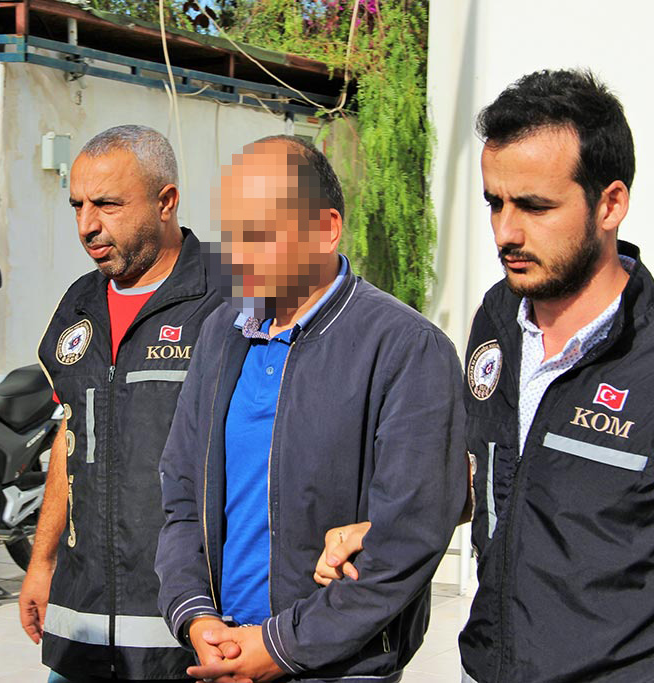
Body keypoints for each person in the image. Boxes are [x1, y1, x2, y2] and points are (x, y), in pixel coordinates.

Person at [316, 69, 654, 682]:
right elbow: (509, 475)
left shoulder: (653, 356)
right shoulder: (498, 318)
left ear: (610, 204)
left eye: (535, 206)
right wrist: (389, 527)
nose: (506, 232)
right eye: (495, 203)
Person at [154, 135, 467, 682]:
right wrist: (197, 618)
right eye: (232, 232)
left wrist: (279, 646)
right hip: (220, 652)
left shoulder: (406, 347)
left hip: (337, 667)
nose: (238, 252)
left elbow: (408, 537)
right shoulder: (222, 333)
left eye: (260, 232)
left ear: (325, 229)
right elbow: (182, 493)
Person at [19, 124, 222, 683]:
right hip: (82, 621)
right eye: (77, 205)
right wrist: (43, 560)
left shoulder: (232, 298)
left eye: (107, 204)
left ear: (166, 201)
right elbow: (70, 433)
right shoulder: (78, 304)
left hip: (188, 626)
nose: (87, 225)